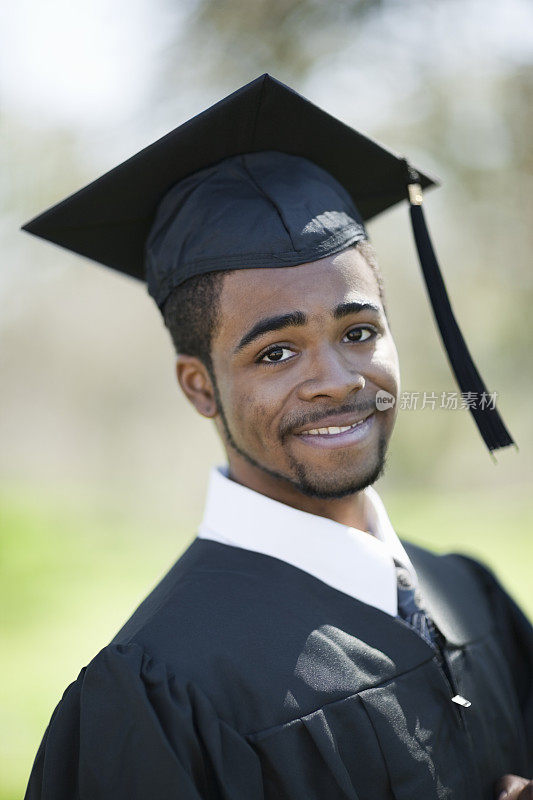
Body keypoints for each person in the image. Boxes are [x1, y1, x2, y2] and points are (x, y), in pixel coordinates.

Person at [22, 75, 531, 799]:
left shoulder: (467, 591)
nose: (335, 379)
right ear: (200, 387)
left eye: (358, 332)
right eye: (275, 352)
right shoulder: (161, 692)